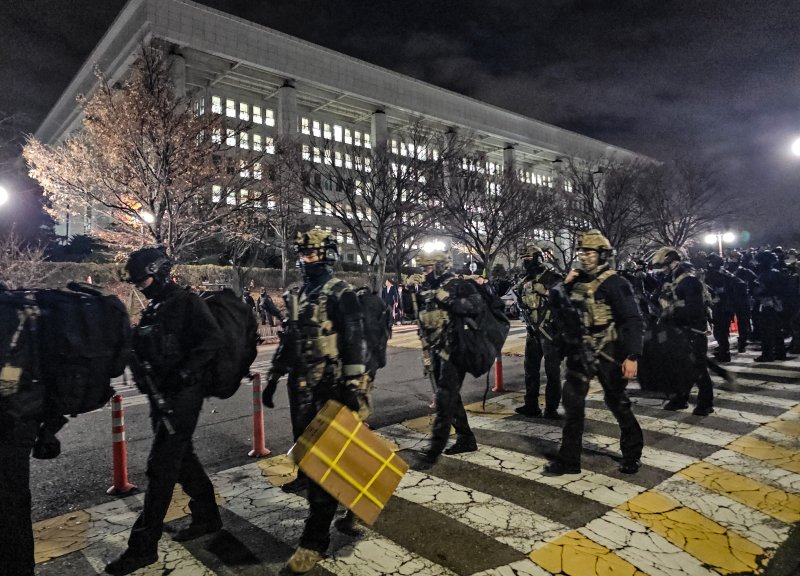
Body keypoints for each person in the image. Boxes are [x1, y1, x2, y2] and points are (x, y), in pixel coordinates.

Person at [106, 248, 225, 575]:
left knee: (160, 467)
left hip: (183, 396)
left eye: (142, 279)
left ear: (158, 272)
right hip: (162, 395)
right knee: (182, 459)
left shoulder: (186, 302)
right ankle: (208, 514)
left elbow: (212, 340)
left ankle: (143, 547)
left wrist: (186, 372)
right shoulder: (155, 307)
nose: (140, 286)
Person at [261, 231, 366, 574]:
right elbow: (290, 337)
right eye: (301, 255)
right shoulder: (295, 293)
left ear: (327, 256)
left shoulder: (341, 293)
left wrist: (353, 385)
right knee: (307, 455)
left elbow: (353, 341)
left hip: (330, 387)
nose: (304, 261)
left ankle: (314, 541)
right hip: (301, 386)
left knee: (323, 463)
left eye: (310, 255)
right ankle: (352, 501)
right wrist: (275, 375)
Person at [544, 230, 644, 476]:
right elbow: (555, 304)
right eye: (582, 252)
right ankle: (569, 461)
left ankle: (632, 454)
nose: (584, 256)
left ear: (602, 255)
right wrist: (565, 283)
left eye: (588, 252)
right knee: (573, 405)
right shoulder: (576, 282)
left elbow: (632, 319)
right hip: (580, 351)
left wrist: (632, 356)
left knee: (617, 402)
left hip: (608, 352)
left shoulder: (616, 283)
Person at [414, 250, 485, 468]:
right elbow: (418, 313)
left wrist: (449, 300)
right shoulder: (428, 286)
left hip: (455, 349)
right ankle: (466, 438)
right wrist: (414, 290)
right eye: (422, 269)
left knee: (445, 398)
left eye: (427, 268)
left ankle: (433, 452)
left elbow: (476, 306)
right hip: (435, 347)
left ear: (439, 265)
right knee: (449, 396)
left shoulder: (458, 285)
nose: (424, 273)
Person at [650, 246, 715, 415]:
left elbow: (695, 309)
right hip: (677, 329)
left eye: (664, 265)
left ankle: (706, 403)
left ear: (674, 263)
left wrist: (671, 310)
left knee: (698, 368)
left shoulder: (689, 280)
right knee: (679, 367)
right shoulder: (671, 279)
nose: (662, 269)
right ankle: (680, 398)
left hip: (693, 331)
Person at [513, 244, 563, 419]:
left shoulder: (552, 277)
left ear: (538, 259)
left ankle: (551, 408)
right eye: (524, 260)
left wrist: (546, 292)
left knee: (552, 372)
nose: (526, 263)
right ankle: (531, 405)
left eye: (529, 259)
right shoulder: (524, 280)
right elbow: (520, 301)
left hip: (550, 331)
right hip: (533, 331)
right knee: (530, 369)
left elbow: (564, 297)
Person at [705, 253, 736, 362]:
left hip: (721, 306)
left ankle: (725, 353)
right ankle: (723, 350)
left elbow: (718, 290)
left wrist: (713, 296)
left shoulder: (716, 274)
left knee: (720, 331)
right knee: (722, 330)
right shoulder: (726, 273)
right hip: (728, 306)